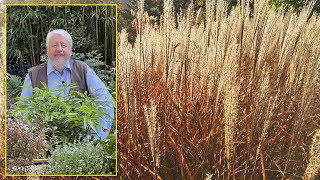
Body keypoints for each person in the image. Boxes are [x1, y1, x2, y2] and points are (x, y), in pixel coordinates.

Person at [21, 29, 114, 139]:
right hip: (44, 139)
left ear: (70, 50)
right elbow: (24, 109)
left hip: (80, 138)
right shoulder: (34, 74)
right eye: (54, 45)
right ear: (47, 51)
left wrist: (103, 131)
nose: (59, 49)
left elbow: (103, 98)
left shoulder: (82, 69)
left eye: (63, 45)